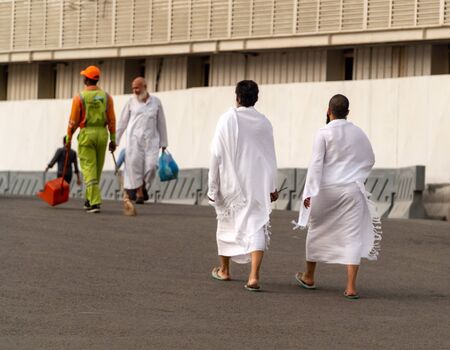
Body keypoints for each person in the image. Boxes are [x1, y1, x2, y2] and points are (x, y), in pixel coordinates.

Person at [293, 94, 382, 300]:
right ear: (348, 112)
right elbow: (370, 159)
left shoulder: (323, 132)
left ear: (328, 110)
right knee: (352, 236)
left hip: (325, 190)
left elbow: (316, 165)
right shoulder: (359, 133)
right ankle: (351, 287)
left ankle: (309, 276)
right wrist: (357, 176)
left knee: (316, 229)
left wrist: (309, 193)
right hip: (351, 190)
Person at [208, 80, 279, 292]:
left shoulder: (227, 119)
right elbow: (270, 156)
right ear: (256, 98)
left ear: (237, 97)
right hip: (257, 183)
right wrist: (272, 186)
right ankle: (254, 276)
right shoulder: (265, 122)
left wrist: (213, 188)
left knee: (226, 223)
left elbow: (216, 155)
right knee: (256, 225)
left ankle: (225, 270)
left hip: (232, 183)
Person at [66, 65, 116, 213]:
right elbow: (112, 120)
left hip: (87, 133)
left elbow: (73, 121)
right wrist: (113, 139)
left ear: (86, 79)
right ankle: (89, 200)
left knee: (88, 168)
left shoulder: (79, 98)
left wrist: (69, 138)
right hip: (102, 134)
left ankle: (95, 203)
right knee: (97, 169)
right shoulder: (106, 97)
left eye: (84, 76)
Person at [116, 77, 168, 204]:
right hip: (134, 141)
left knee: (151, 167)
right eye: (133, 88)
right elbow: (122, 122)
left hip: (152, 141)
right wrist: (115, 140)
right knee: (135, 167)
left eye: (137, 87)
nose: (135, 90)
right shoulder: (130, 102)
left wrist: (164, 142)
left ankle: (143, 184)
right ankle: (139, 193)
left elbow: (161, 123)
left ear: (145, 87)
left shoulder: (156, 102)